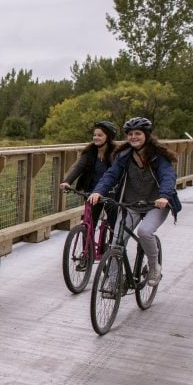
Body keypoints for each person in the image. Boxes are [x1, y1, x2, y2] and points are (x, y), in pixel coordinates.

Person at [88, 117, 181, 288]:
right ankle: (113, 279)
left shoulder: (158, 156)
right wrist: (98, 191)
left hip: (156, 204)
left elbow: (168, 176)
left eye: (137, 133)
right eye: (130, 134)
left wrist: (165, 196)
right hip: (130, 204)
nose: (133, 137)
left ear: (146, 135)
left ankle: (154, 267)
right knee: (116, 242)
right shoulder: (124, 156)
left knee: (145, 232)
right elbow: (110, 174)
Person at [59, 120, 120, 248]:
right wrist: (67, 181)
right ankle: (87, 254)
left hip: (111, 193)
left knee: (114, 222)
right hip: (92, 193)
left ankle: (113, 248)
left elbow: (117, 173)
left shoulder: (117, 154)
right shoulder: (90, 152)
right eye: (95, 135)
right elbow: (78, 167)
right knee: (88, 223)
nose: (96, 138)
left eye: (100, 135)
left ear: (108, 137)